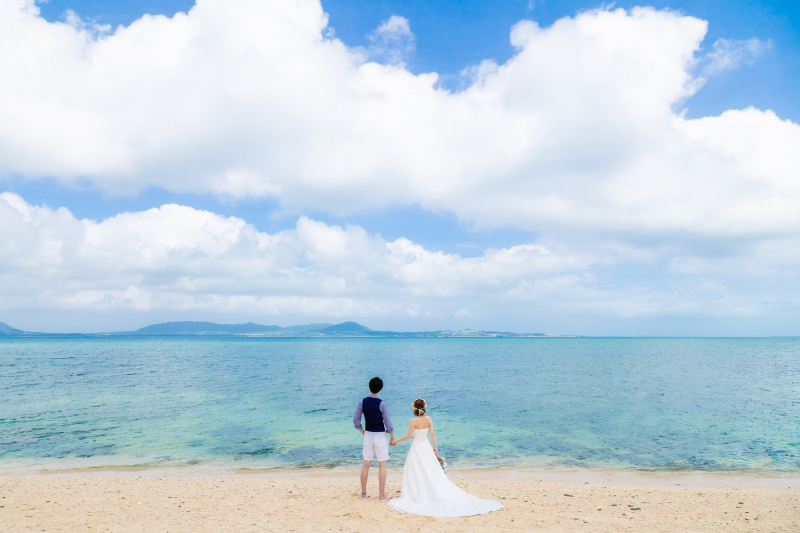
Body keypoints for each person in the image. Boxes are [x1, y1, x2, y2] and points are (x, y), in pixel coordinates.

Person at [388, 398, 503, 517]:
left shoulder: (413, 421)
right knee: (430, 470)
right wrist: (435, 448)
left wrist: (395, 441)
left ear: (414, 409)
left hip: (417, 447)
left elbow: (408, 436)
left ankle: (417, 493)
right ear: (424, 408)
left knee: (416, 470)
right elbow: (432, 434)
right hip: (426, 446)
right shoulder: (429, 419)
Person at [353, 376, 395, 500]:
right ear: (380, 389)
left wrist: (363, 432)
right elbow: (387, 422)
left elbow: (356, 420)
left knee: (366, 464)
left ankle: (363, 493)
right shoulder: (382, 403)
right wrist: (392, 437)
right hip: (380, 435)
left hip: (368, 435)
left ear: (369, 387)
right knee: (382, 465)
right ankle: (381, 495)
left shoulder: (362, 402)